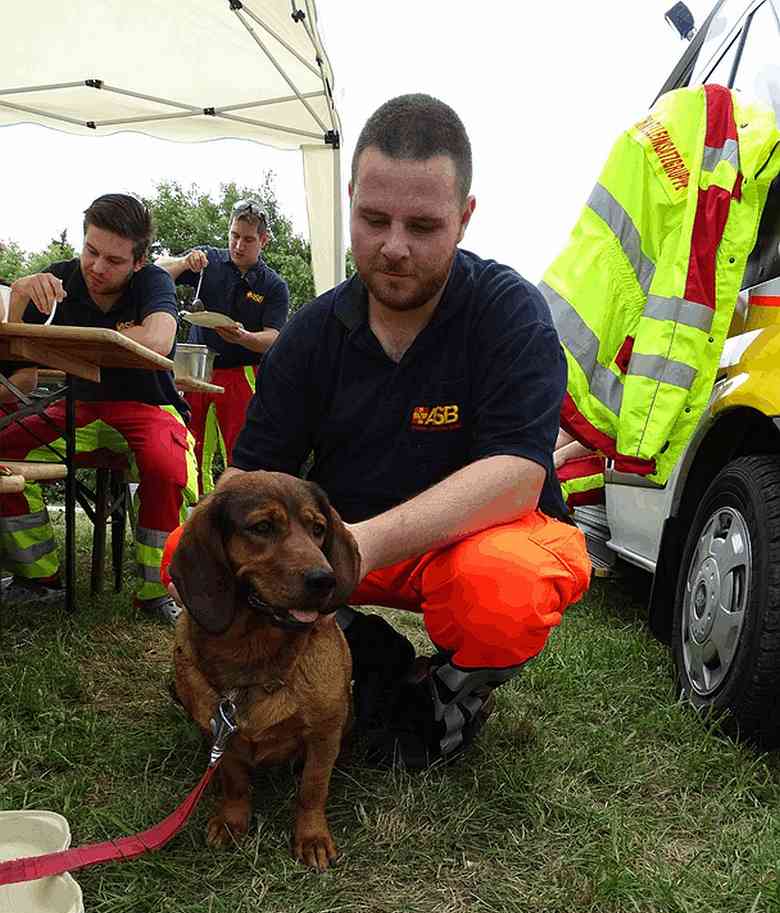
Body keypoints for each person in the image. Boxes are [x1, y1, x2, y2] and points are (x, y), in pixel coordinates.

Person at [163, 94, 592, 767]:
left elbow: (518, 475)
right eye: (373, 219)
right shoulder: (311, 332)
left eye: (423, 225)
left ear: (465, 217)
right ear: (352, 201)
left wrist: (354, 547)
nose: (393, 248)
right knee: (192, 554)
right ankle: (368, 657)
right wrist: (243, 528)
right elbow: (250, 473)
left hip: (460, 544)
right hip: (336, 549)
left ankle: (452, 695)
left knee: (500, 597)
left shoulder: (510, 312)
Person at [0, 193, 197, 624]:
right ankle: (39, 578)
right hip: (80, 407)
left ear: (140, 261)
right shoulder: (57, 279)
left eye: (114, 260)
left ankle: (157, 589)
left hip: (151, 405)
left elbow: (160, 340)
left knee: (167, 467)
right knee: (5, 449)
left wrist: (84, 340)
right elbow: (20, 363)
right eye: (91, 251)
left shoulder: (155, 283)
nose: (96, 267)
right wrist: (18, 299)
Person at [156, 199, 289, 494]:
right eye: (234, 236)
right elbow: (156, 272)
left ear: (263, 240)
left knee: (241, 450)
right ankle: (193, 517)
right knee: (188, 443)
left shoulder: (273, 285)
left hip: (243, 372)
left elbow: (274, 338)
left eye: (248, 239)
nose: (239, 245)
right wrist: (182, 263)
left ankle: (241, 518)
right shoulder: (208, 260)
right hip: (195, 369)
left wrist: (245, 338)